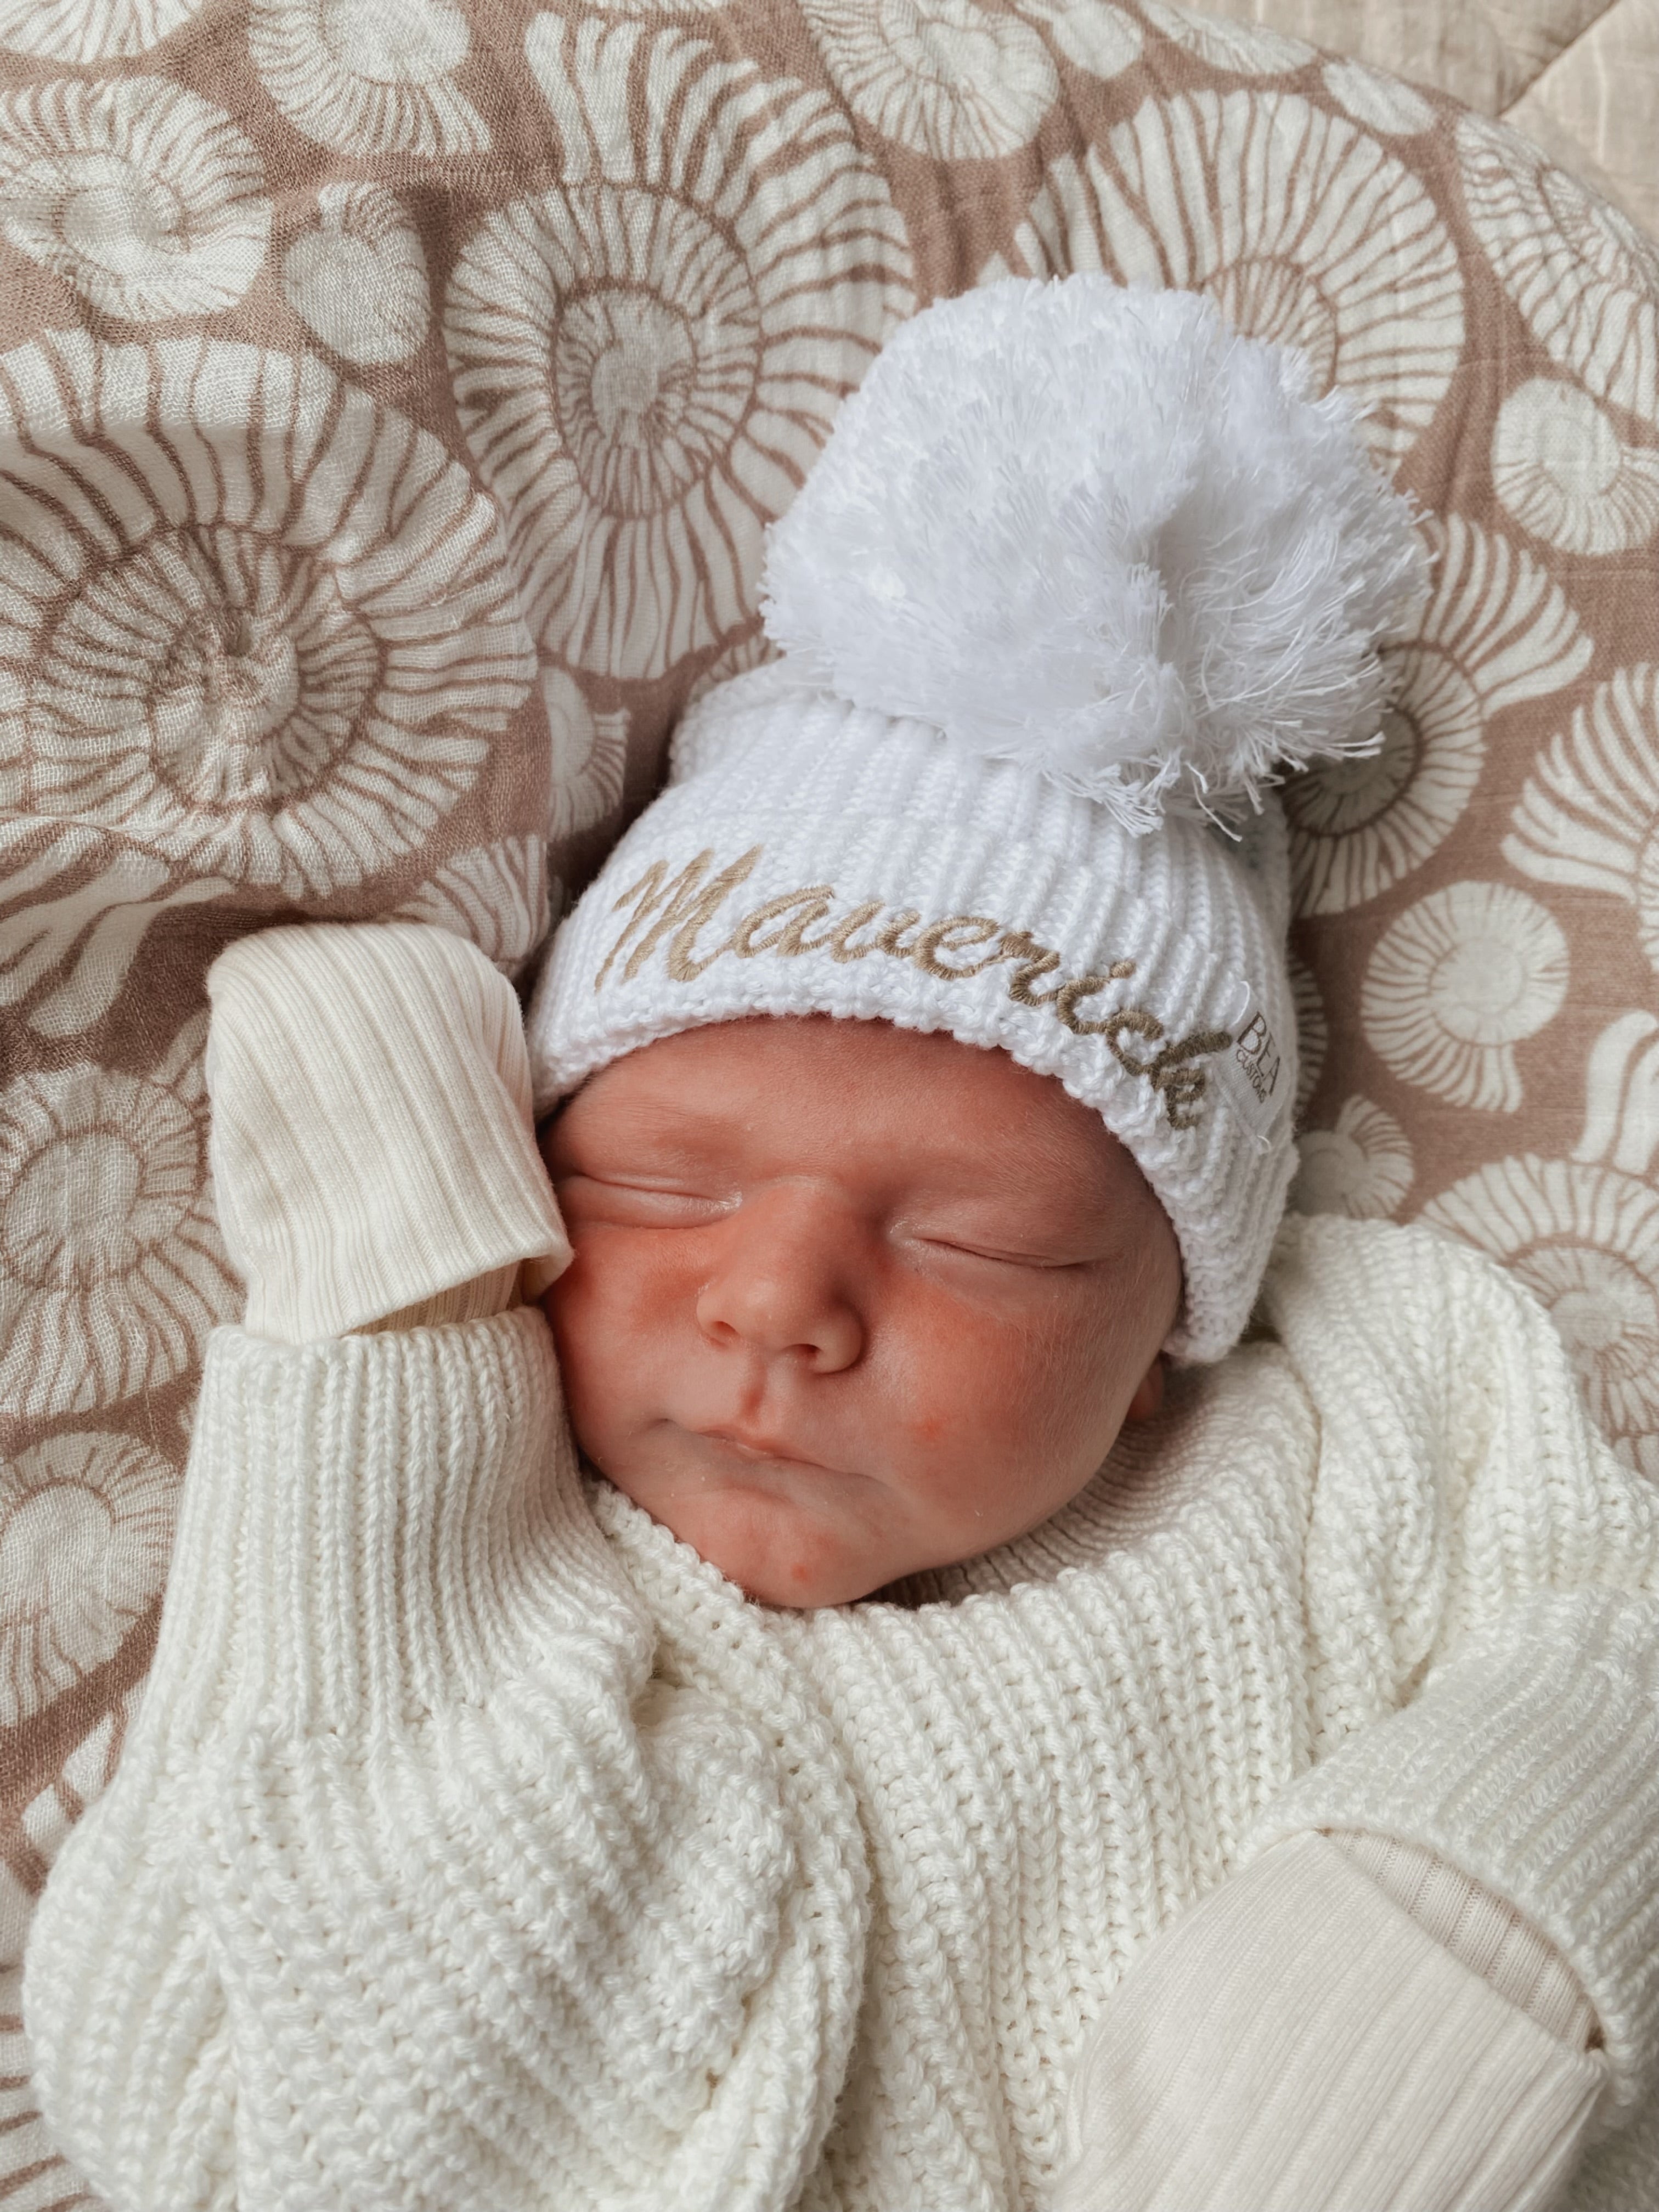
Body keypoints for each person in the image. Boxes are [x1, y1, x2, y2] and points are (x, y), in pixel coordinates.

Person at [22, 279, 1659, 2212]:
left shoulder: (1372, 1420)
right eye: (658, 1188)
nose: (778, 1300)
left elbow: (1614, 1657)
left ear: (1175, 1334)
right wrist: (391, 1346)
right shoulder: (510, 1553)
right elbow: (248, 2131)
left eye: (986, 1245)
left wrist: (1450, 1934)